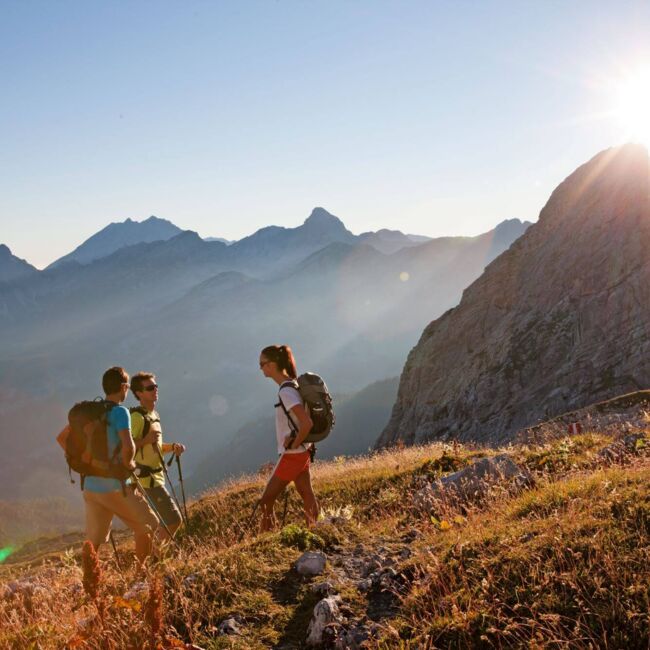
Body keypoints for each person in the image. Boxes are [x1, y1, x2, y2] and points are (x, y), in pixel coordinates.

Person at [56, 367, 159, 565]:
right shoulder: (120, 412)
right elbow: (128, 446)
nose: (127, 390)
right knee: (148, 524)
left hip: (90, 487)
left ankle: (89, 581)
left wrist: (86, 461)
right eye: (127, 387)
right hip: (114, 485)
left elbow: (61, 438)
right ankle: (141, 576)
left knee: (93, 543)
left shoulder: (91, 413)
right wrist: (129, 464)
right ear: (122, 387)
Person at [258, 345, 319, 532]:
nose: (260, 368)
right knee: (306, 493)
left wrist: (294, 442)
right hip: (303, 451)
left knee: (266, 500)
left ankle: (267, 540)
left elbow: (306, 422)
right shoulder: (294, 385)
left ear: (273, 364)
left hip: (293, 453)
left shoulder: (286, 391)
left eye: (262, 364)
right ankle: (313, 531)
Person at [130, 372, 186, 540]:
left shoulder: (154, 415)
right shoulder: (137, 417)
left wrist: (172, 447)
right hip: (146, 480)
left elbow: (156, 447)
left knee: (164, 521)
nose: (155, 390)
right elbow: (124, 447)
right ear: (139, 393)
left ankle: (155, 556)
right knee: (173, 520)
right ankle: (156, 557)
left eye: (156, 386)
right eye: (150, 388)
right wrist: (146, 439)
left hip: (156, 476)